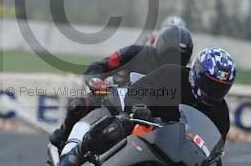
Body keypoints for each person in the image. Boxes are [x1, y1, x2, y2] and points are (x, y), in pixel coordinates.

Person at [56, 47, 237, 166]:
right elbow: (137, 92)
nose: (213, 91)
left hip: (175, 152)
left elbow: (214, 148)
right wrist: (140, 107)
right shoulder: (173, 74)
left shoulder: (221, 114)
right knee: (116, 126)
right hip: (143, 126)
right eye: (209, 84)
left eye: (220, 87)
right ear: (196, 74)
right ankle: (76, 152)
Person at [50, 25, 193, 149]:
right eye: (171, 53)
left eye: (180, 57)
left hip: (150, 120)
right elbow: (99, 66)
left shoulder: (184, 77)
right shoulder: (135, 53)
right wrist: (96, 82)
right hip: (113, 101)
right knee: (78, 105)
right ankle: (64, 138)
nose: (173, 60)